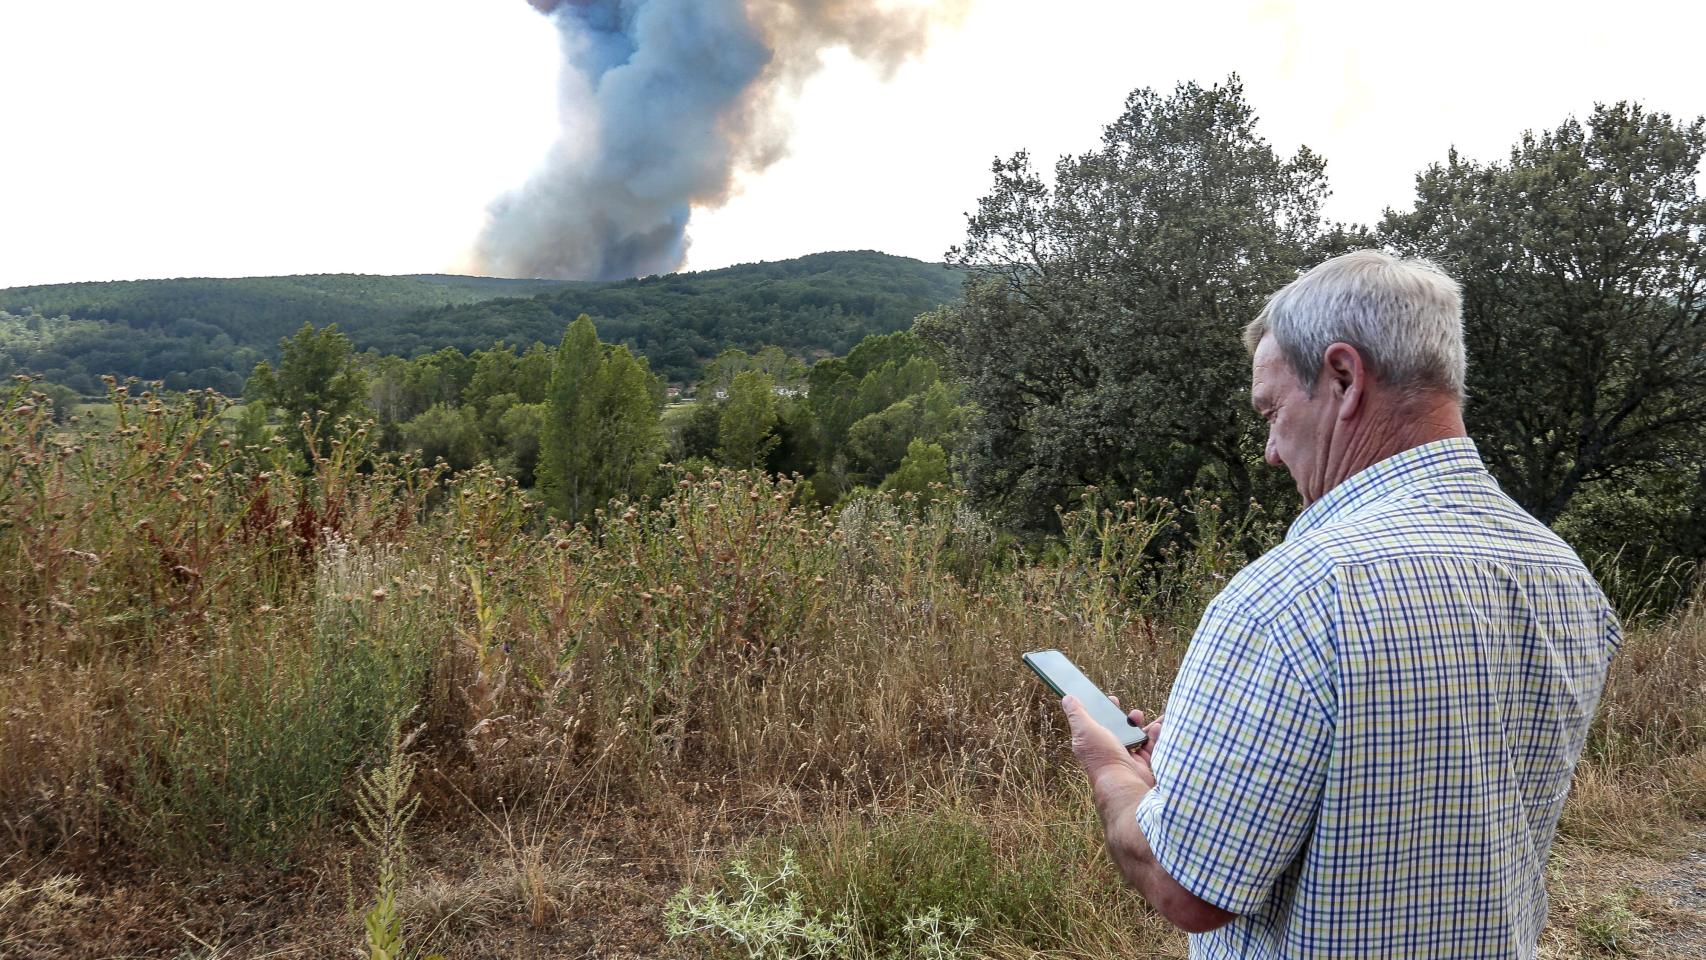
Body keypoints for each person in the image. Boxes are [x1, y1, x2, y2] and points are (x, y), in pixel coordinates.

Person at [1062, 250, 1621, 958]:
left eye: (1272, 411)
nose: (1269, 450)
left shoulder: (1291, 597)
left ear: (1344, 377)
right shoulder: (1564, 574)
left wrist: (1115, 773)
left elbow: (1185, 887)